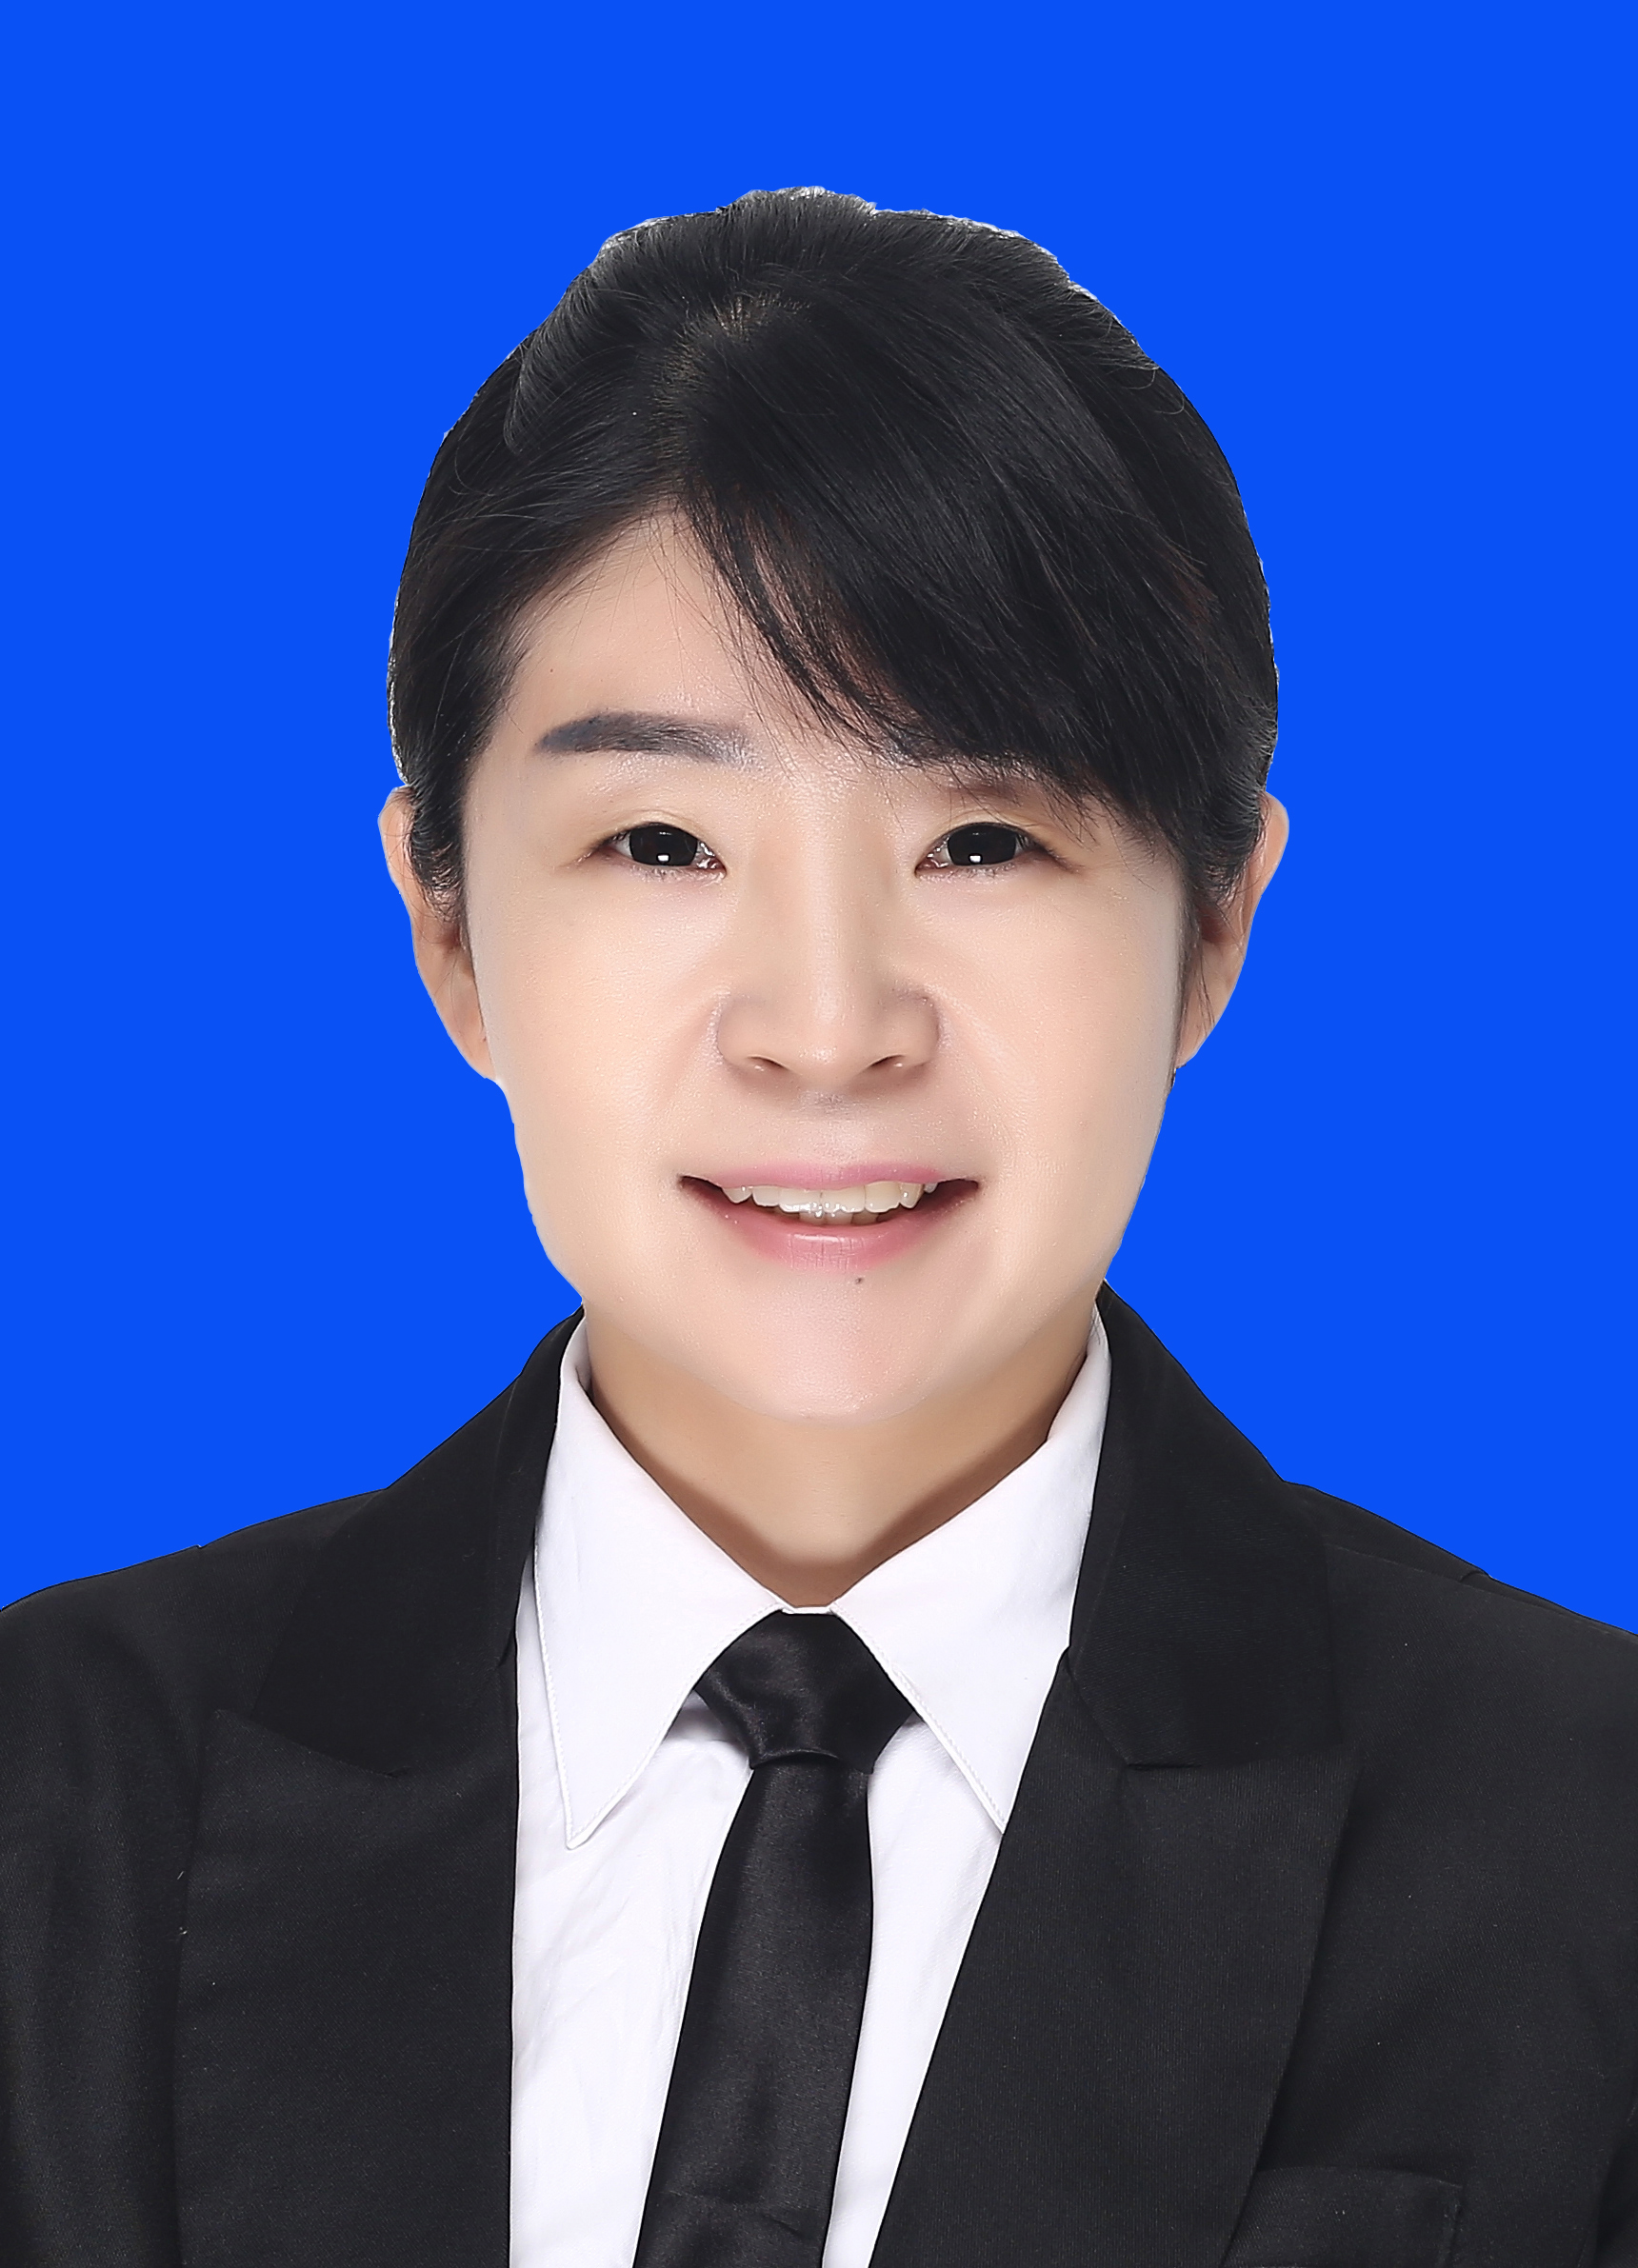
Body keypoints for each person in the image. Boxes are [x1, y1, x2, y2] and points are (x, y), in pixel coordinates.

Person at [2, 187, 1635, 2268]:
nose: (828, 1026)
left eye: (983, 838)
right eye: (660, 839)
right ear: (449, 928)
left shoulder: (1584, 1840)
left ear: (1216, 924)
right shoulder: (49, 1805)